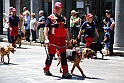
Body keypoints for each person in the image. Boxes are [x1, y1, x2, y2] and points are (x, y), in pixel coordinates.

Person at [43, 2, 72, 79]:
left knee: (63, 56)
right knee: (51, 55)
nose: (58, 9)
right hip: (53, 39)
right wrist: (46, 39)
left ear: (61, 9)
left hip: (62, 39)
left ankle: (65, 72)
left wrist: (69, 40)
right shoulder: (50, 18)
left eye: (59, 8)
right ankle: (46, 69)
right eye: (56, 8)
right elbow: (46, 28)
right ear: (54, 9)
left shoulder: (64, 19)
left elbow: (66, 30)